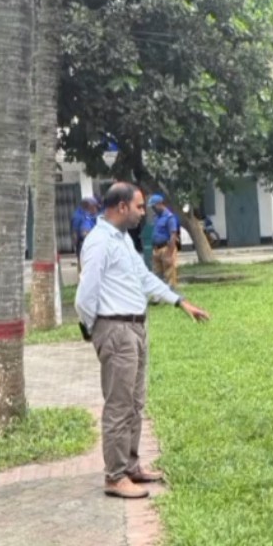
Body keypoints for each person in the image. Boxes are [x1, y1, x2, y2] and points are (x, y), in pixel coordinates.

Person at [75, 182, 210, 499]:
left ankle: (131, 466)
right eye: (138, 207)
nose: (141, 213)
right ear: (121, 207)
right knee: (119, 405)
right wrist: (93, 328)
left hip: (135, 327)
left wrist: (180, 302)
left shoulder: (121, 240)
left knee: (135, 402)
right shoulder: (98, 243)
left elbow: (144, 278)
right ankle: (115, 475)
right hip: (116, 329)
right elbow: (85, 294)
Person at [148, 194, 180, 287]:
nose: (152, 209)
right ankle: (158, 296)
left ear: (159, 204)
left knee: (169, 273)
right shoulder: (156, 217)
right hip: (156, 249)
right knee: (156, 273)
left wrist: (170, 253)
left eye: (153, 206)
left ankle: (171, 294)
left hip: (166, 248)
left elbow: (173, 235)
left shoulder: (170, 218)